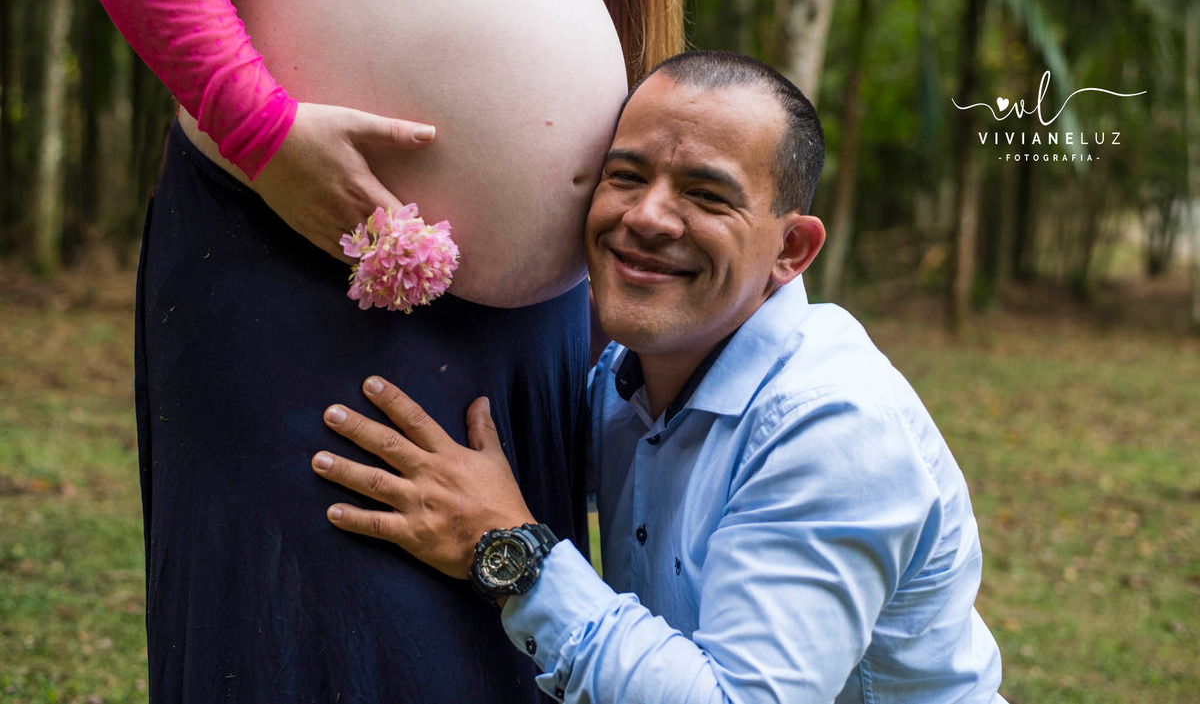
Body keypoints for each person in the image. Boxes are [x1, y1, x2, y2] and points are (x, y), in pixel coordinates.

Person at [52, 0, 684, 700]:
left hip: (536, 321)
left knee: (503, 640)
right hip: (292, 234)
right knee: (303, 640)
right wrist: (256, 125)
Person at [310, 51, 1007, 703]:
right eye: (627, 176)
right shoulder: (627, 379)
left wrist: (508, 549)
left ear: (791, 248)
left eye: (706, 194)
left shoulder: (831, 425)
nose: (645, 216)